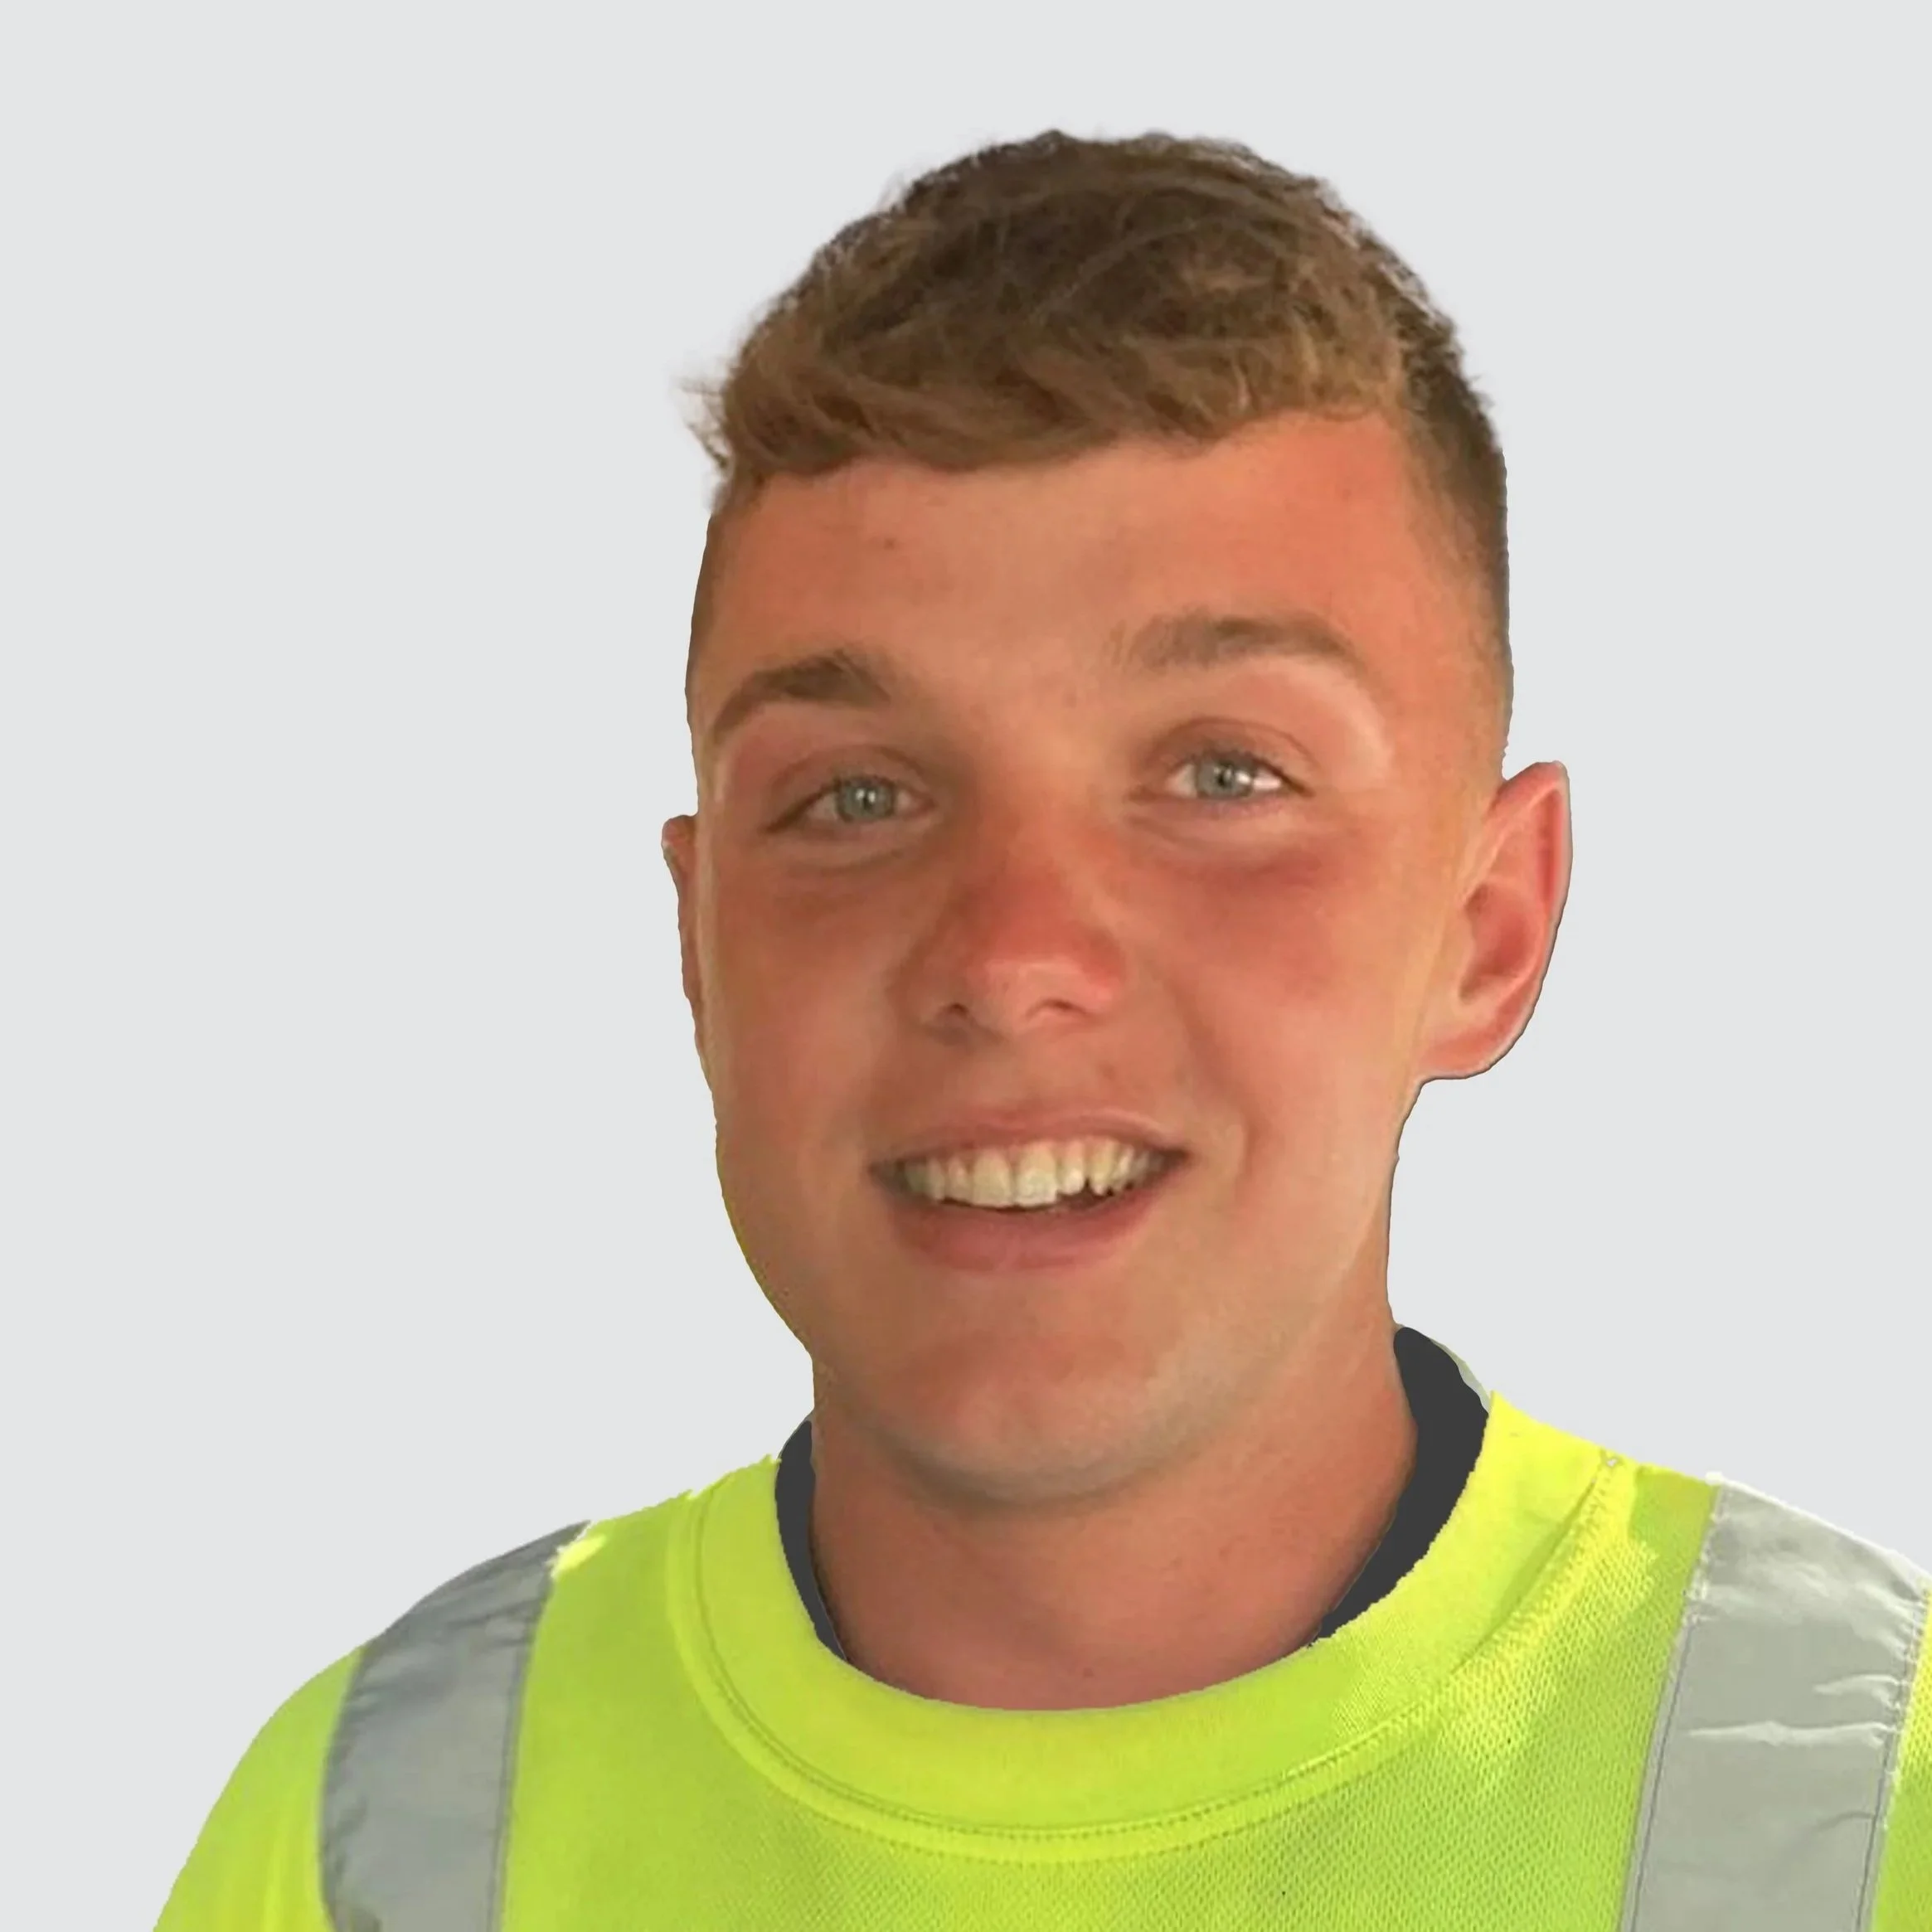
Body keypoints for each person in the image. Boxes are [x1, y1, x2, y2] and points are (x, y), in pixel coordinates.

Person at [157, 130, 1931, 1930]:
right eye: (856, 798)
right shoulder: (377, 1839)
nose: (1010, 955)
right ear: (699, 945)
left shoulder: (1866, 1810)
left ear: (1488, 927)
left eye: (1223, 774)